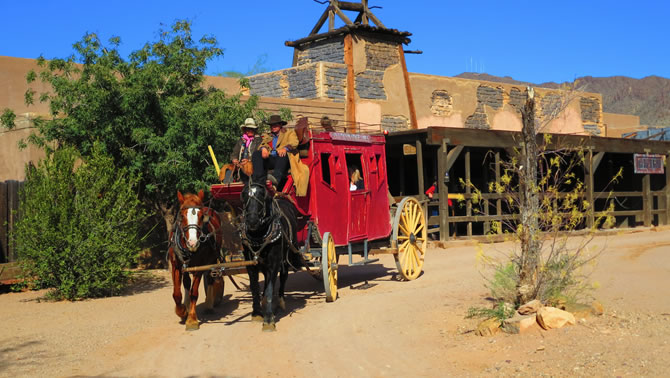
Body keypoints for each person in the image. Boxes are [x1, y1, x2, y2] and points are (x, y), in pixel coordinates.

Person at [252, 114, 299, 190]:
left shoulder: (289, 133)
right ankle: (258, 179)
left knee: (282, 154)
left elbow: (294, 142)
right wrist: (263, 148)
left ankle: (275, 181)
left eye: (275, 125)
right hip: (271, 158)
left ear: (280, 125)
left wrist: (285, 148)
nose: (273, 127)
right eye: (271, 125)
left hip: (284, 160)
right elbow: (262, 144)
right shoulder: (268, 135)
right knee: (256, 154)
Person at [228, 118, 261, 183]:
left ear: (254, 130)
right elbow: (234, 153)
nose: (249, 131)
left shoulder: (259, 140)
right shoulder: (241, 140)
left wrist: (249, 160)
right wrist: (234, 159)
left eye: (251, 129)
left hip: (252, 164)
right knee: (227, 169)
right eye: (247, 129)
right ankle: (226, 188)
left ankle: (246, 183)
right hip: (240, 165)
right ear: (245, 130)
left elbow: (258, 154)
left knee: (247, 166)